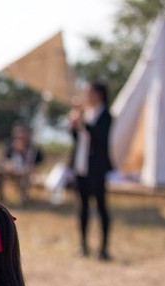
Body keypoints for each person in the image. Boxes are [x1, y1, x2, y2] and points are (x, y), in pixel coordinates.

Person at [69, 81, 113, 260]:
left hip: (97, 168)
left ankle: (103, 248)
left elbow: (100, 136)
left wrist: (83, 122)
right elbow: (78, 138)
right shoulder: (86, 113)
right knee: (83, 207)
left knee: (101, 207)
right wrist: (74, 125)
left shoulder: (106, 115)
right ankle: (83, 245)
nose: (87, 96)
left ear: (99, 94)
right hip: (81, 167)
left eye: (89, 92)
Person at [0, 123, 43, 206]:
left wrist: (32, 166)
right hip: (11, 170)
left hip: (26, 171)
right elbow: (5, 158)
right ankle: (0, 197)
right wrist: (7, 164)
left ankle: (23, 198)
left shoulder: (33, 147)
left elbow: (39, 160)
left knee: (24, 177)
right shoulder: (10, 145)